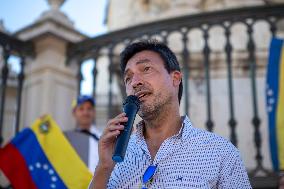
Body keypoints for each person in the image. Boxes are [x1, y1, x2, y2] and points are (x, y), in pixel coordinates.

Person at [89, 40, 252, 188]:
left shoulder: (220, 152)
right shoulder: (116, 157)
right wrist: (103, 167)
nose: (134, 82)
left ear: (175, 78)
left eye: (146, 69)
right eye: (128, 78)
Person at [64, 95, 101, 173]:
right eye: (81, 109)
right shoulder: (65, 139)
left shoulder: (103, 138)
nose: (85, 112)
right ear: (74, 113)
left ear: (94, 112)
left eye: (89, 109)